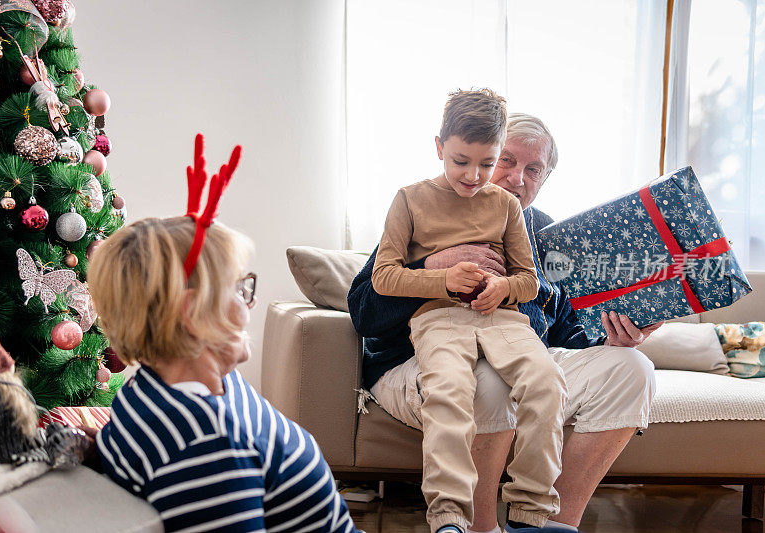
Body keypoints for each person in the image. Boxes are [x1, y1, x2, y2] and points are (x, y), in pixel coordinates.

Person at [349, 113, 661, 533]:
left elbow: (567, 334)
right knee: (489, 378)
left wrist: (615, 336)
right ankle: (479, 528)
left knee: (631, 369)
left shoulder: (547, 235)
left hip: (518, 355)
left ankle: (548, 524)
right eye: (507, 161)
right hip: (422, 363)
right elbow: (364, 311)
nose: (516, 178)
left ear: (545, 178)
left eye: (533, 169)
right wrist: (431, 268)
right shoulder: (426, 209)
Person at [88, 136, 360, 533]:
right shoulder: (205, 446)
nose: (248, 300)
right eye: (237, 287)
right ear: (193, 314)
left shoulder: (163, 388)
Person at [370, 89, 568, 533]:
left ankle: (530, 514)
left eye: (485, 162)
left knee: (547, 383)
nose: (474, 175)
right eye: (461, 161)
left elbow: (530, 280)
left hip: (503, 319)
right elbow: (383, 277)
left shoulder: (506, 206)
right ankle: (450, 517)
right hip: (437, 322)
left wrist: (503, 287)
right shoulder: (408, 199)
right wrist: (439, 277)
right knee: (450, 395)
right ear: (439, 147)